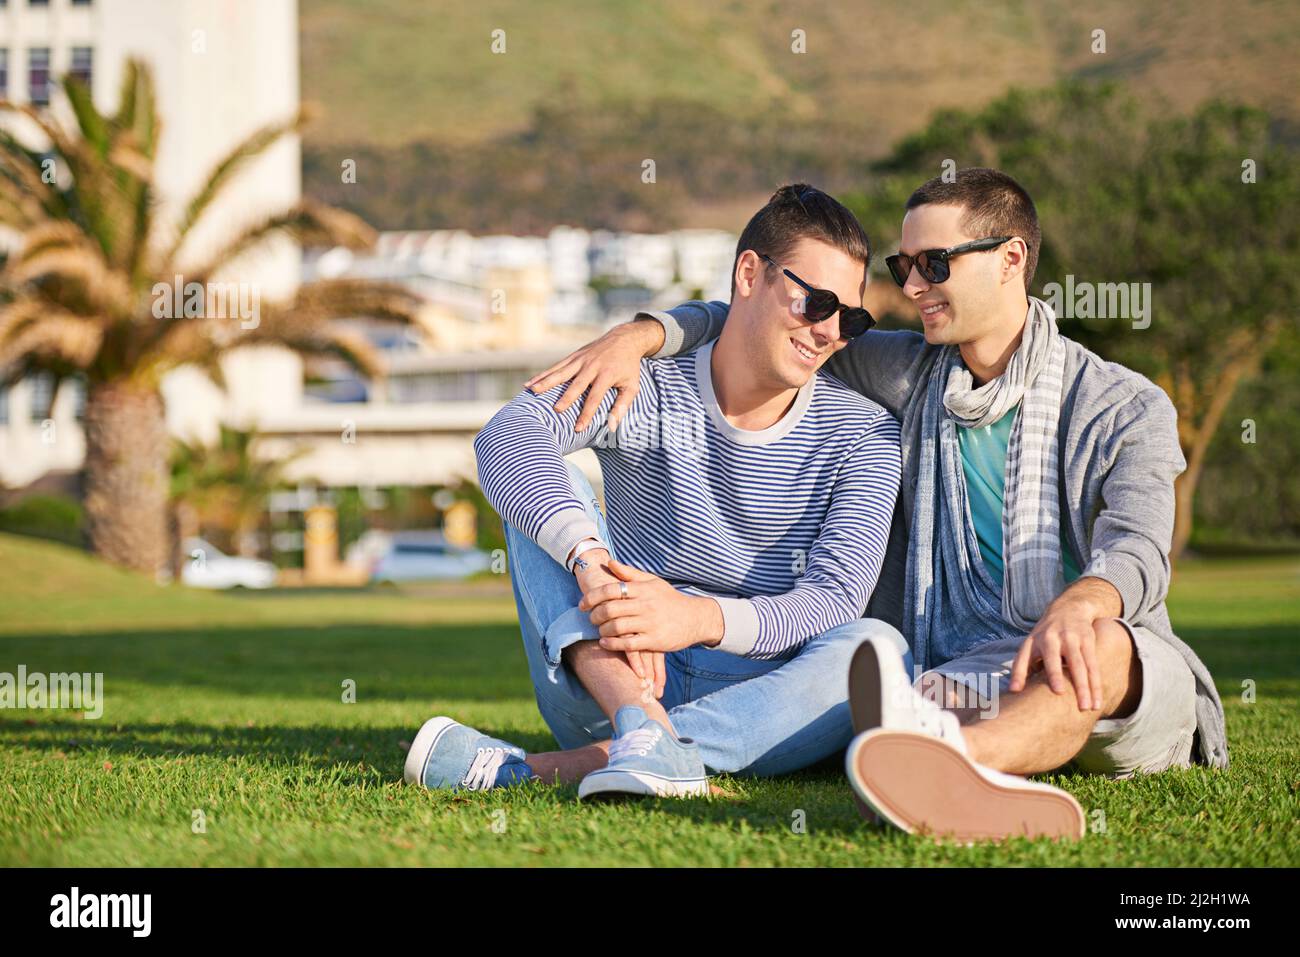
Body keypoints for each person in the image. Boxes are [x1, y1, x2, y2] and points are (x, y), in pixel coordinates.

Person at [525, 167, 1228, 840]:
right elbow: (759, 316)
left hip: (1109, 672)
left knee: (1094, 648)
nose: (915, 286)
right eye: (904, 267)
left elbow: (1138, 546)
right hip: (951, 672)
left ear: (1011, 259)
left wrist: (1086, 600)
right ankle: (935, 764)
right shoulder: (907, 369)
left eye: (936, 264)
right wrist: (641, 334)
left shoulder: (1124, 405)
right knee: (874, 686)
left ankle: (952, 765)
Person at [403, 185, 903, 799]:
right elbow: (508, 433)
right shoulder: (644, 384)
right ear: (749, 274)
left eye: (849, 317)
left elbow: (836, 596)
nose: (828, 331)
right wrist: (593, 569)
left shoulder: (866, 433)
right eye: (816, 301)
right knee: (540, 509)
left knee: (878, 650)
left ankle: (569, 765)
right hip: (616, 672)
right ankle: (641, 730)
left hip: (759, 697)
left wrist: (692, 617)